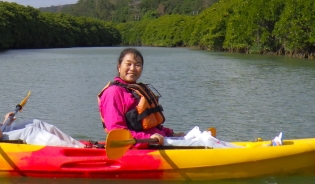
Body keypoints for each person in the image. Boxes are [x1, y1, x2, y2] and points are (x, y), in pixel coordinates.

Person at [98, 48, 240, 148]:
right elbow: (116, 133)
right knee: (204, 143)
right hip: (142, 146)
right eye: (128, 64)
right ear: (119, 66)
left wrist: (171, 133)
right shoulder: (113, 93)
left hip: (157, 141)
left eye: (138, 65)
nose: (133, 68)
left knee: (198, 137)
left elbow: (151, 125)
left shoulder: (136, 90)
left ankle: (218, 144)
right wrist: (147, 140)